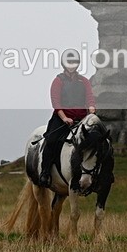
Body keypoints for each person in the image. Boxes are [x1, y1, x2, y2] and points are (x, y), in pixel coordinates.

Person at [39, 50, 96, 188]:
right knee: (51, 140)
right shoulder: (58, 81)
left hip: (82, 118)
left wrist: (92, 109)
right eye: (69, 62)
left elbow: (89, 97)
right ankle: (45, 172)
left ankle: (100, 173)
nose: (72, 65)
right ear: (64, 64)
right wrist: (65, 118)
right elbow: (56, 102)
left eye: (74, 62)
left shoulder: (84, 81)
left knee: (98, 140)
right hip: (62, 117)